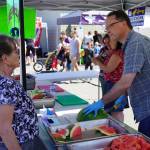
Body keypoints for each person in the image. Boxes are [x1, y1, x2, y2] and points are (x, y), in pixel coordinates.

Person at [84, 10, 150, 138]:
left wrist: (102, 102)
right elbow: (136, 75)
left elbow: (125, 81)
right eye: (106, 27)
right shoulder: (132, 42)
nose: (108, 30)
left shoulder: (135, 43)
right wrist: (124, 94)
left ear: (124, 23)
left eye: (111, 25)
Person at [0, 35, 46, 150]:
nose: (19, 55)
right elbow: (4, 128)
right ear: (5, 58)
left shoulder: (6, 80)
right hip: (18, 143)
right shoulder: (6, 84)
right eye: (16, 52)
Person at [92, 35, 128, 121]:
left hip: (116, 84)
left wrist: (98, 61)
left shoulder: (118, 53)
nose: (108, 44)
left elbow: (108, 69)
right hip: (111, 83)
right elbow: (97, 61)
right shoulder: (110, 52)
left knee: (116, 110)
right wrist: (98, 60)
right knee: (111, 109)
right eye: (105, 42)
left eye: (110, 42)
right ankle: (116, 128)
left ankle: (120, 130)